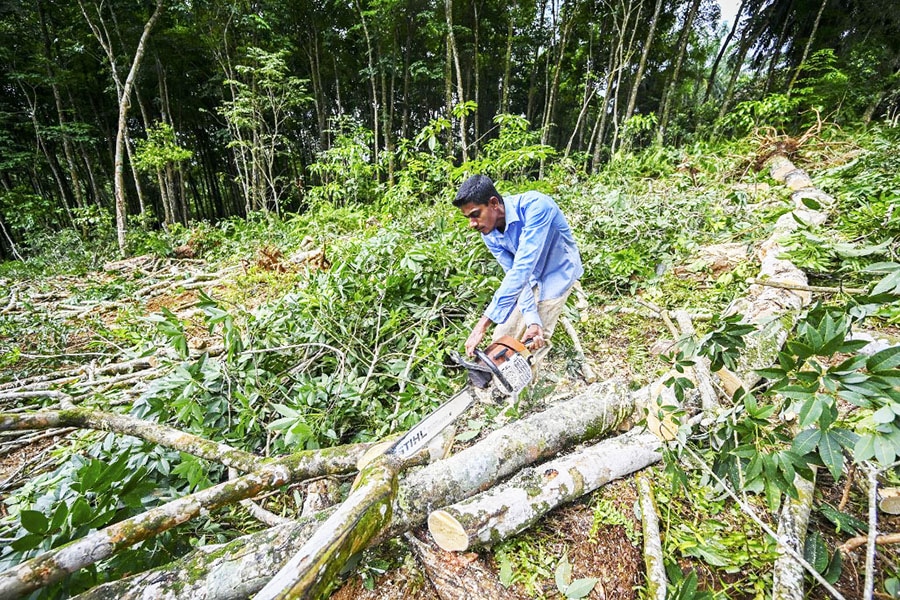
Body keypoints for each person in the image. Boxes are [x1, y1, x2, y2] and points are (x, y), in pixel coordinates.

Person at [453, 174, 583, 359]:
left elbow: (522, 268)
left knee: (533, 344)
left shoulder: (537, 206)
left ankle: (526, 386)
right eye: (468, 217)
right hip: (527, 278)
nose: (472, 224)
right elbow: (513, 274)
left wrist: (482, 325)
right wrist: (530, 319)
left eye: (475, 214)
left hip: (558, 273)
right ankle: (493, 384)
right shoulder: (489, 233)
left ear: (494, 203)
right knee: (502, 338)